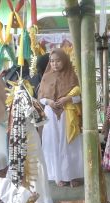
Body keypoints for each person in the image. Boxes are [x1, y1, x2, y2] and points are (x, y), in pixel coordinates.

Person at [38, 48, 83, 187]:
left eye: (58, 61)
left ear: (64, 61)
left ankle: (72, 176)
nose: (55, 64)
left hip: (67, 114)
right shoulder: (46, 77)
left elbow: (80, 97)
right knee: (53, 144)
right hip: (50, 115)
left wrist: (68, 99)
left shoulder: (72, 76)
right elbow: (40, 98)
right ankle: (57, 176)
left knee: (69, 145)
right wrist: (49, 102)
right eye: (52, 61)